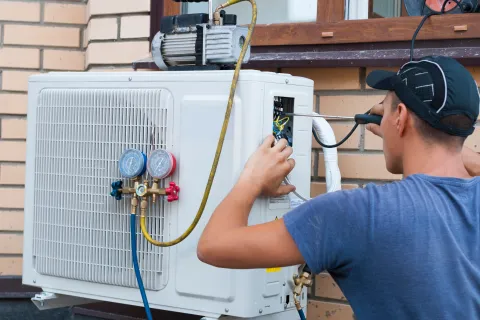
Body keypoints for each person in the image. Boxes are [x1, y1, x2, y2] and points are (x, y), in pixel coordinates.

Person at [197, 56, 480, 319]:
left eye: (387, 108)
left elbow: (213, 246)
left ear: (401, 116)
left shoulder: (358, 214)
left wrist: (252, 178)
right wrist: (423, 135)